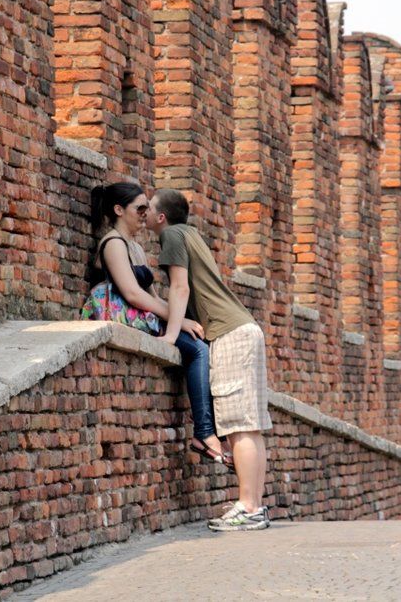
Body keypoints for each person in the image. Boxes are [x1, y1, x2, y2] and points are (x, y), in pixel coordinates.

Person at [146, 188, 272, 531]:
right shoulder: (190, 234)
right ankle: (255, 506)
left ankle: (247, 507)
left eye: (149, 208)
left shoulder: (172, 234)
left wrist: (171, 335)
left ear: (161, 216)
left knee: (237, 426)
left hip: (229, 333)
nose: (144, 213)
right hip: (245, 329)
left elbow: (180, 287)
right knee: (250, 426)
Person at [82, 182, 229, 467]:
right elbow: (132, 294)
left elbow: (153, 296)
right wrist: (179, 320)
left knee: (201, 344)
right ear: (119, 210)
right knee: (198, 350)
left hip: (145, 319)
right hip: (128, 319)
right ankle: (204, 432)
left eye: (147, 208)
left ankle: (214, 432)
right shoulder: (113, 244)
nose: (145, 214)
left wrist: (179, 320)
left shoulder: (136, 248)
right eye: (140, 208)